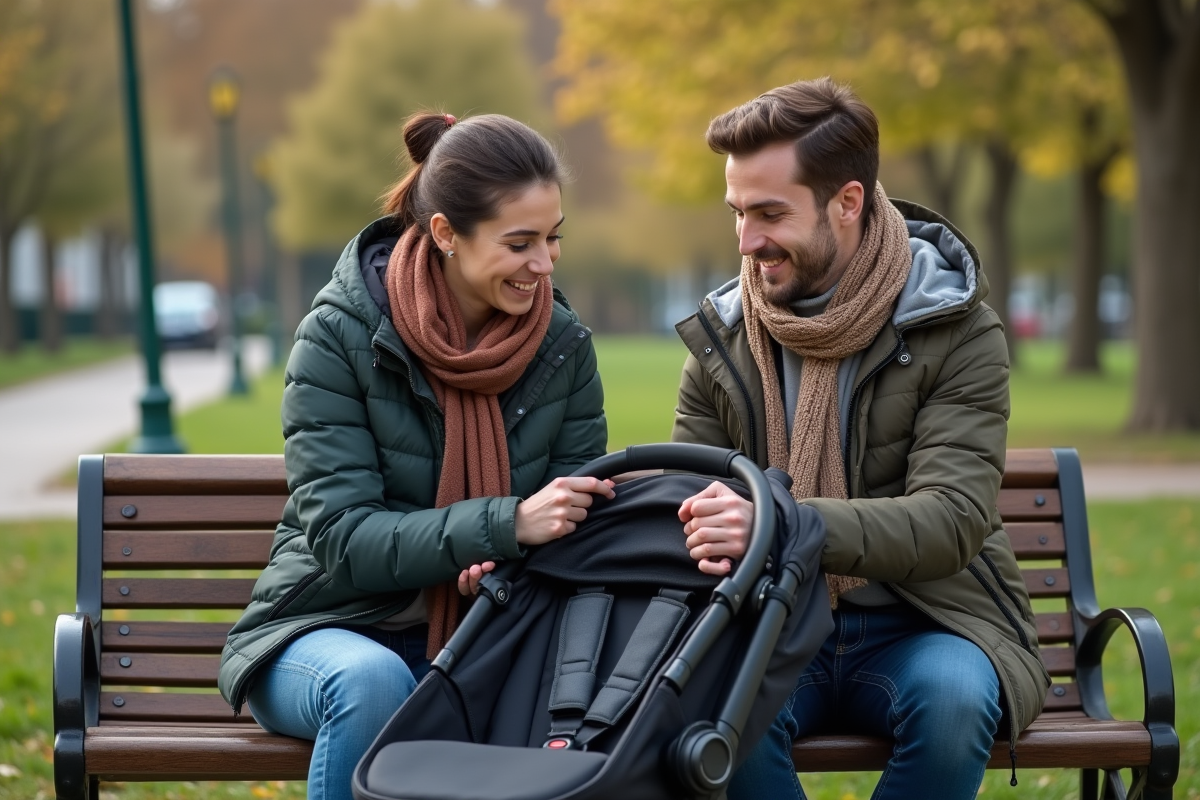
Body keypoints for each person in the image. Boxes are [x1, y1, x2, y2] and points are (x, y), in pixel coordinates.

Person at [670, 78, 1050, 799]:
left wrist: (780, 524)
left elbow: (951, 520)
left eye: (770, 214)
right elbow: (685, 500)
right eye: (738, 213)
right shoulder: (721, 337)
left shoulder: (956, 329)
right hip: (768, 622)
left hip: (925, 620)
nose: (748, 243)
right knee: (716, 715)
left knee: (955, 703)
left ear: (846, 203)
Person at [217, 112, 614, 800]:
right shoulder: (339, 336)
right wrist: (502, 525)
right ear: (445, 235)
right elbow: (343, 541)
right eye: (519, 243)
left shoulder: (562, 344)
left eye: (553, 240)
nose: (544, 265)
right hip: (328, 626)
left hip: (492, 630)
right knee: (374, 685)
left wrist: (503, 569)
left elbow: (575, 527)